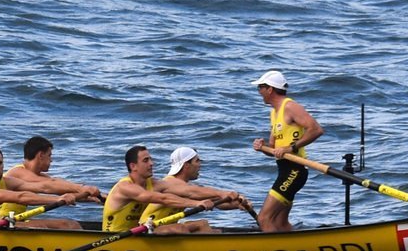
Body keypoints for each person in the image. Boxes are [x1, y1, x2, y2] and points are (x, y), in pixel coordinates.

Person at [251, 70, 324, 232]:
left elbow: (316, 129)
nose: (259, 92)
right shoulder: (273, 113)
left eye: (260, 88)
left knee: (264, 218)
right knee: (279, 223)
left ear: (270, 89)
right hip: (284, 171)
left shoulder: (290, 106)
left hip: (295, 171)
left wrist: (291, 148)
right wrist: (262, 147)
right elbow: (274, 149)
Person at [139, 147, 254, 233]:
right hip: (148, 229)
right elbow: (192, 192)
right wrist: (224, 193)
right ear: (186, 165)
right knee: (194, 226)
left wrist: (238, 204)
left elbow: (215, 202)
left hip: (164, 228)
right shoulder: (170, 183)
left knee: (210, 229)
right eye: (197, 161)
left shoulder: (185, 186)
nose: (200, 165)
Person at [0, 135, 102, 229]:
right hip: (0, 221)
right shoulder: (18, 172)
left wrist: (94, 197)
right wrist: (81, 188)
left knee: (69, 225)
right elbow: (48, 185)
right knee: (49, 226)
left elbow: (60, 190)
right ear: (41, 155)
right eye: (49, 155)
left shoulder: (39, 176)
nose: (51, 160)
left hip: (16, 219)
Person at [0, 146, 79, 226]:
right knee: (50, 227)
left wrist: (81, 190)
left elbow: (42, 187)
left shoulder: (6, 181)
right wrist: (58, 199)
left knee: (69, 224)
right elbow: (20, 197)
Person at [102, 146, 214, 232]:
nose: (152, 163)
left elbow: (188, 191)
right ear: (133, 166)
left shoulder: (154, 183)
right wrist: (196, 204)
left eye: (151, 159)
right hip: (114, 237)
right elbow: (163, 199)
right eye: (146, 160)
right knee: (180, 229)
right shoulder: (125, 187)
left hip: (137, 233)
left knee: (203, 224)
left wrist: (223, 195)